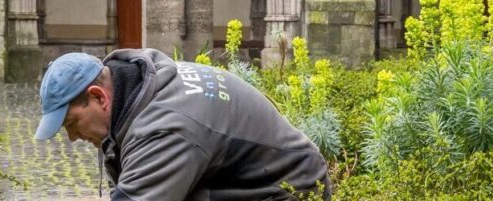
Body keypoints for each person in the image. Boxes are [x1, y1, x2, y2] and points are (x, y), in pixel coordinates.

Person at [36, 49, 330, 200]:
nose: (73, 138)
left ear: (99, 97)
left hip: (288, 190)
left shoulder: (164, 128)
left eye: (71, 123)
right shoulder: (139, 91)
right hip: (237, 180)